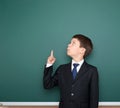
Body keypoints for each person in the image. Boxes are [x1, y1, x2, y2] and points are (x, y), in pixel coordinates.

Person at [43, 34, 99, 108]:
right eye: (70, 43)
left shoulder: (92, 71)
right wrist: (49, 64)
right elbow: (47, 85)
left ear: (82, 50)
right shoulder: (62, 69)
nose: (68, 45)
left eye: (73, 43)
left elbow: (94, 97)